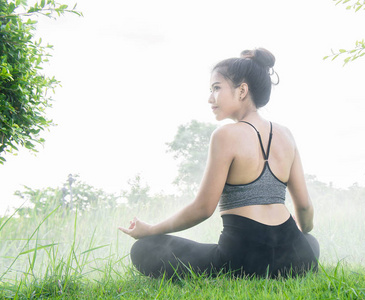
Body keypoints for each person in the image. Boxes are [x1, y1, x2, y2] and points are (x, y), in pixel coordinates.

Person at [118, 48, 320, 278]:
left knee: (144, 248)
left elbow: (202, 209)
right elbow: (304, 207)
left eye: (216, 88)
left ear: (242, 90)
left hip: (241, 259)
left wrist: (151, 230)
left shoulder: (225, 135)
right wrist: (299, 238)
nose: (210, 98)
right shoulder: (286, 135)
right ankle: (296, 252)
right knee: (309, 241)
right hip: (294, 259)